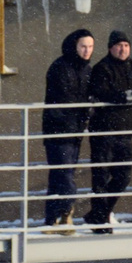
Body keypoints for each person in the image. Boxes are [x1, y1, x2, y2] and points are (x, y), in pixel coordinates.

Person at [83, 30, 132, 229]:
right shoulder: (102, 68)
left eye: (126, 46)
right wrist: (126, 96)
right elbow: (102, 92)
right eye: (119, 46)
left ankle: (99, 213)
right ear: (111, 48)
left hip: (126, 131)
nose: (123, 49)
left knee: (123, 176)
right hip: (104, 131)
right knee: (101, 176)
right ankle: (100, 218)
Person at [41, 29, 95, 227]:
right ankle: (66, 211)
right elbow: (63, 97)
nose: (87, 50)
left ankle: (53, 218)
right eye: (83, 46)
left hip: (75, 130)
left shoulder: (87, 69)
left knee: (60, 175)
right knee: (64, 174)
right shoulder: (60, 67)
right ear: (74, 46)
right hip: (58, 129)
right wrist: (85, 107)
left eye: (90, 47)